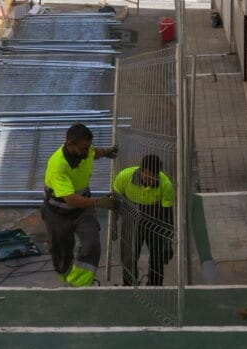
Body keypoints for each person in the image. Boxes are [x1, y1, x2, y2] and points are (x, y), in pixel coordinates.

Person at [41, 123, 118, 287]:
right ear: (70, 144)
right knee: (61, 251)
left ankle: (79, 285)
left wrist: (105, 152)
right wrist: (99, 202)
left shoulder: (86, 151)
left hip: (82, 210)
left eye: (89, 146)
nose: (87, 151)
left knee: (92, 244)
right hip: (57, 212)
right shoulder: (58, 165)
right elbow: (70, 198)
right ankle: (67, 282)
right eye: (84, 148)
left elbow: (93, 153)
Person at [112, 154, 174, 286]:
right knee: (129, 255)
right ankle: (129, 284)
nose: (152, 180)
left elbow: (168, 217)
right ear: (142, 171)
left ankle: (155, 285)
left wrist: (168, 242)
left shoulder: (166, 184)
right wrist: (114, 225)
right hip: (131, 217)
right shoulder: (124, 177)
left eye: (155, 176)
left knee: (158, 256)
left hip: (155, 219)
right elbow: (114, 202)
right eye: (149, 176)